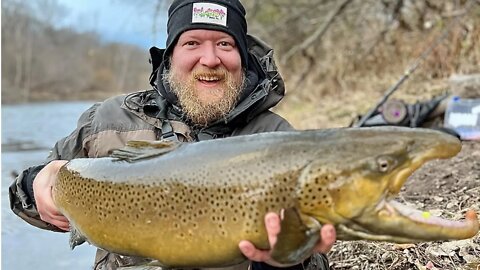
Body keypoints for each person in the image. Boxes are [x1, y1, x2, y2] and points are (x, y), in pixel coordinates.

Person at [9, 0, 336, 269]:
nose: (210, 60)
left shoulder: (276, 138)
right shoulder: (106, 119)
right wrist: (36, 184)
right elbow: (25, 201)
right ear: (170, 57)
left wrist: (285, 261)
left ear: (242, 58)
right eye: (192, 43)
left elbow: (316, 257)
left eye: (224, 44)